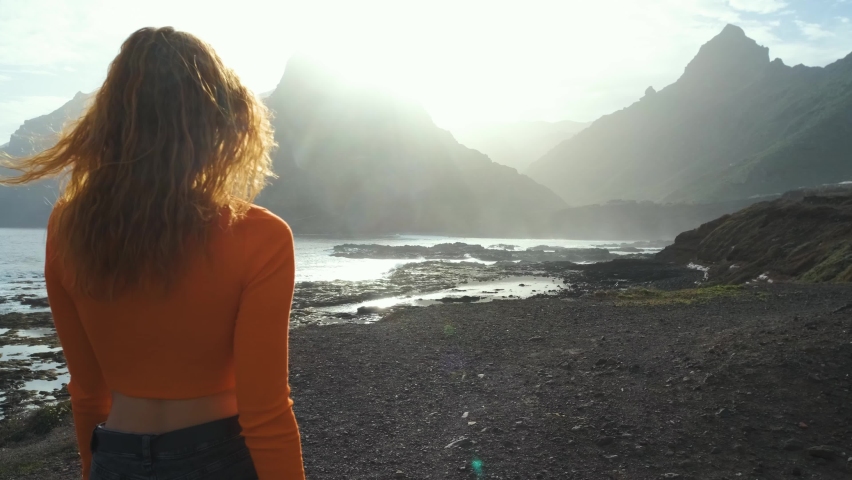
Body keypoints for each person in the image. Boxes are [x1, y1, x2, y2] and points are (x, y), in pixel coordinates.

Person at [0, 27, 305, 480]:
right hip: (217, 455)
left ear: (110, 122)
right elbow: (265, 410)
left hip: (115, 455)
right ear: (222, 121)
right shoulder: (259, 236)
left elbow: (87, 392)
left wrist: (93, 468)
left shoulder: (68, 225)